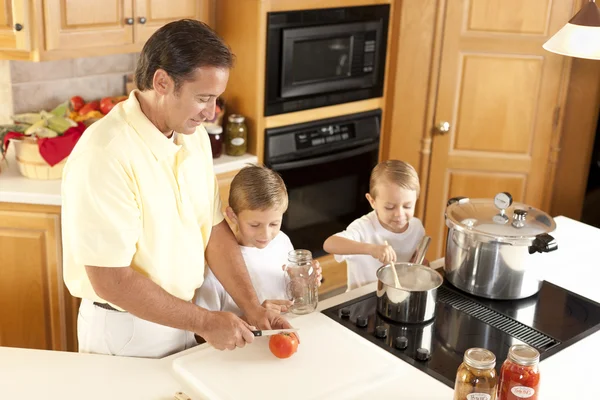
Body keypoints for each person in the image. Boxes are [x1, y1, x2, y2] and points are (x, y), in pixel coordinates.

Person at [61, 19, 291, 358]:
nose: (212, 113)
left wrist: (253, 307)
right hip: (126, 332)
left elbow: (213, 230)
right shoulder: (106, 154)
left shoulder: (192, 136)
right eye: (203, 98)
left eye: (216, 99)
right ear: (163, 82)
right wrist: (206, 322)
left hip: (183, 319)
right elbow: (112, 281)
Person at [195, 165, 322, 315]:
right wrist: (254, 315)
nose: (266, 234)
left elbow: (291, 296)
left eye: (274, 224)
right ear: (233, 215)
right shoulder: (219, 267)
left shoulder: (281, 241)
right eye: (255, 225)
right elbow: (201, 335)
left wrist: (301, 284)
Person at [323, 160, 426, 290]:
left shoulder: (417, 227)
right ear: (372, 202)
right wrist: (371, 249)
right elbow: (329, 243)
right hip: (362, 301)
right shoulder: (363, 228)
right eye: (389, 207)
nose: (399, 214)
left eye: (407, 206)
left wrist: (419, 264)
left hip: (398, 294)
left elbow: (413, 258)